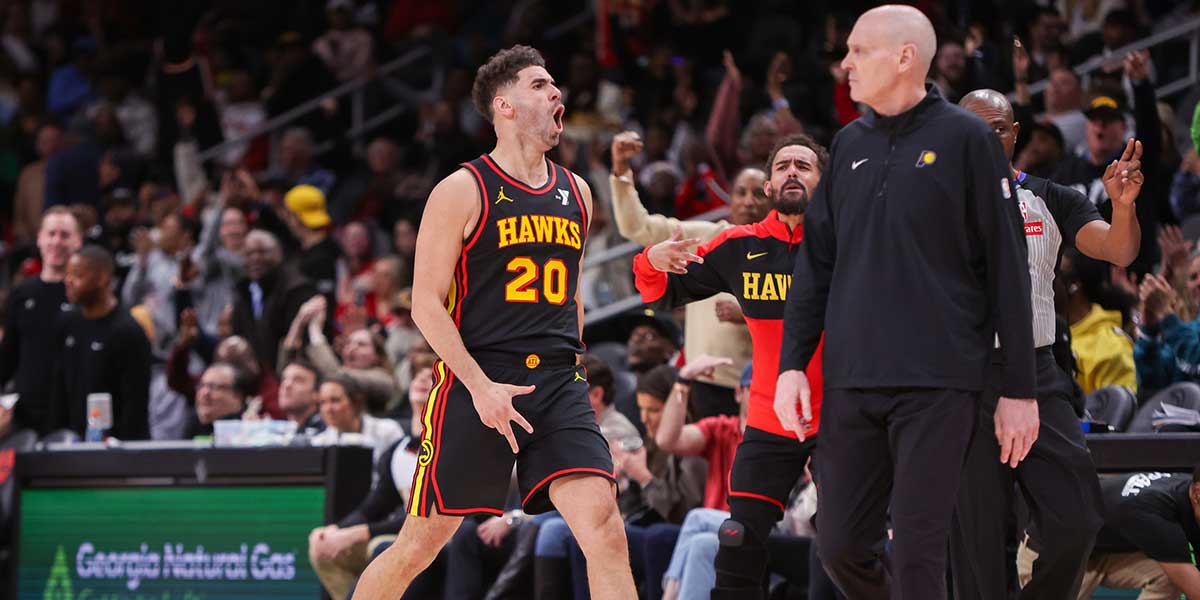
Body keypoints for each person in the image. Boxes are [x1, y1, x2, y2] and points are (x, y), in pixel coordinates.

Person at [351, 45, 635, 600]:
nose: (556, 94)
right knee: (421, 543)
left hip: (557, 381)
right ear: (503, 106)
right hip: (478, 378)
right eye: (539, 85)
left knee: (604, 527)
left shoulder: (576, 191)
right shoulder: (460, 190)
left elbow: (570, 294)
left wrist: (574, 367)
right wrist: (479, 387)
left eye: (555, 84)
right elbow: (425, 305)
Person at [774, 6, 1037, 599]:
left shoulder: (969, 140)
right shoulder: (847, 144)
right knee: (838, 546)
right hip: (852, 380)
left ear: (904, 57)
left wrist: (1019, 389)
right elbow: (815, 264)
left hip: (939, 384)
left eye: (859, 50)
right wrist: (793, 364)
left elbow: (1007, 270)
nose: (845, 63)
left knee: (920, 552)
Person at [951, 89, 1144, 600]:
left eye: (999, 127)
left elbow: (1118, 247)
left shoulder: (1051, 197)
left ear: (1015, 136)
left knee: (1077, 518)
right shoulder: (931, 199)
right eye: (976, 126)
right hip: (964, 378)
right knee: (981, 542)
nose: (989, 137)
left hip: (1036, 371)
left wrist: (1122, 207)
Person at [635, 134, 829, 598]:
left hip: (838, 416)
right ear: (767, 187)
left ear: (827, 185)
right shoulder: (741, 246)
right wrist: (650, 260)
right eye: (782, 167)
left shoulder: (847, 244)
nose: (792, 173)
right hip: (767, 416)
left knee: (846, 547)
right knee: (737, 538)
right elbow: (664, 294)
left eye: (804, 166)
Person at [611, 129, 761, 418]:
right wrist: (621, 171)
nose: (748, 202)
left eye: (757, 194)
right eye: (741, 192)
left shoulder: (784, 249)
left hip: (757, 385)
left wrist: (746, 314)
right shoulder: (706, 236)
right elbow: (637, 227)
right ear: (729, 199)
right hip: (703, 384)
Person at [1015, 469, 1200, 599]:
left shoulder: (1185, 488)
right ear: (1198, 494)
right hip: (1051, 558)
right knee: (1182, 575)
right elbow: (1195, 591)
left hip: (1098, 553)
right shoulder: (1155, 514)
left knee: (1168, 575)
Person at [51, 245, 152, 440]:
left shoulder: (128, 332)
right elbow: (58, 390)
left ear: (102, 279)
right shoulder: (66, 323)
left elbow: (135, 404)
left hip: (115, 449)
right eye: (68, 275)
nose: (68, 281)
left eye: (78, 275)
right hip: (70, 445)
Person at [0, 208, 82, 435]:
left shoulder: (86, 296)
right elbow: (7, 357)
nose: (57, 241)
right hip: (26, 416)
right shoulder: (21, 293)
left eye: (65, 235)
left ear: (78, 241)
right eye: (51, 233)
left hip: (74, 416)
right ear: (39, 238)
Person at [231, 230, 318, 373]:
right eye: (249, 254)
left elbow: (304, 344)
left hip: (288, 373)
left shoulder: (297, 289)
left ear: (279, 254)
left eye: (262, 252)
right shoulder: (241, 292)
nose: (255, 259)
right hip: (255, 377)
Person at [311, 372, 404, 463]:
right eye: (322, 402)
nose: (328, 409)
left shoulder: (388, 431)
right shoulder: (319, 443)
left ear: (356, 402)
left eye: (335, 400)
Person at [184, 362, 248, 439]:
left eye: (214, 387)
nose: (205, 393)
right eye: (201, 385)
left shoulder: (250, 429)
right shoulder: (191, 424)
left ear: (237, 396)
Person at [275, 359, 326, 435]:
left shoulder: (327, 433)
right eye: (284, 379)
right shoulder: (275, 430)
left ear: (317, 394)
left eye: (298, 380)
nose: (287, 385)